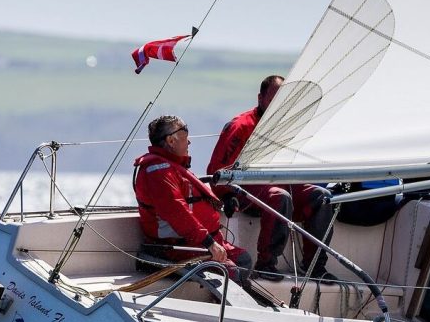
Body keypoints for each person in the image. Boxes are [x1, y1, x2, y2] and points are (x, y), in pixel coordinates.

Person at [208, 75, 336, 282]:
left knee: (322, 197)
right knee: (280, 196)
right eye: (273, 100)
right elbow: (216, 170)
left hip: (280, 188)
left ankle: (314, 266)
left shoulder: (289, 128)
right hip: (245, 192)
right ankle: (265, 265)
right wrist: (227, 194)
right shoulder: (241, 126)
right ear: (260, 98)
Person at [133, 115, 251, 279]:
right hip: (178, 247)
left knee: (243, 260)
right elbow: (177, 213)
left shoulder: (172, 167)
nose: (189, 142)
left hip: (197, 244)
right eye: (184, 136)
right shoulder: (157, 172)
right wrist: (209, 243)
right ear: (171, 140)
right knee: (231, 272)